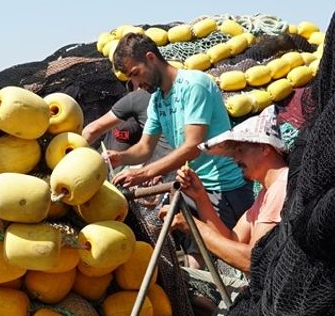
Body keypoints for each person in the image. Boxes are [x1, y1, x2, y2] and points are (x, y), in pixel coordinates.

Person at [106, 33, 253, 228]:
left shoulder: (194, 85)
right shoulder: (157, 100)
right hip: (193, 186)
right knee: (195, 254)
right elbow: (144, 148)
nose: (136, 84)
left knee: (231, 253)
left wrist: (143, 174)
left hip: (224, 188)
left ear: (150, 58)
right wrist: (120, 157)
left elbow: (193, 146)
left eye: (135, 73)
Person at [173, 108, 290, 275]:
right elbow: (232, 239)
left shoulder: (281, 186)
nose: (236, 160)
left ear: (265, 148)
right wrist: (200, 197)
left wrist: (194, 226)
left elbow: (253, 261)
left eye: (240, 151)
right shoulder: (266, 192)